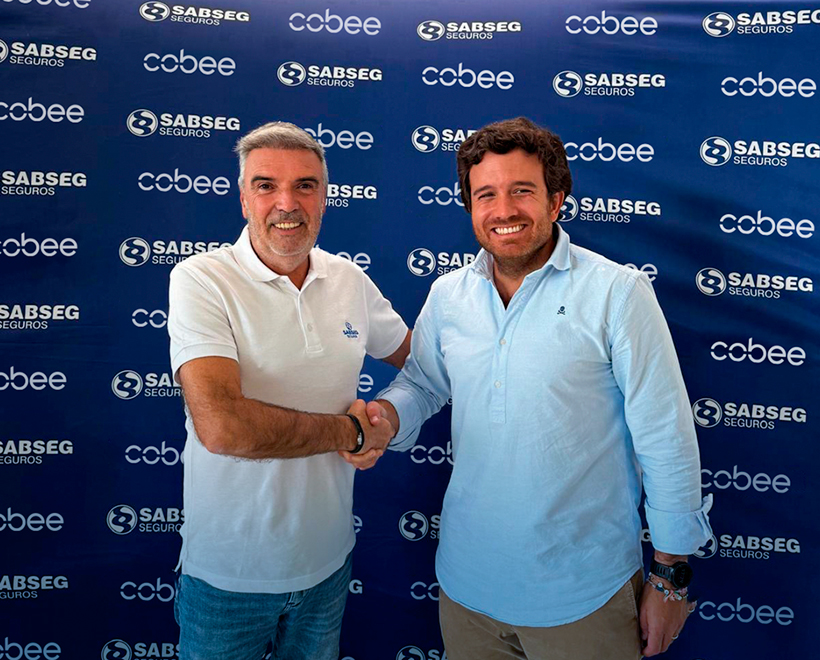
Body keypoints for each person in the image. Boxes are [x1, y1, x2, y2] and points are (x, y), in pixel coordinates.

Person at [343, 117, 712, 659]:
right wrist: (386, 419)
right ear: (470, 206)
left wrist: (670, 575)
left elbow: (665, 435)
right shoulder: (449, 295)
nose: (504, 210)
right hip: (467, 589)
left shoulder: (617, 293)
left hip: (585, 595)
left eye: (522, 191)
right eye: (486, 194)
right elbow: (422, 383)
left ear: (555, 200)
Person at [168, 121, 410, 660]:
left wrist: (388, 415)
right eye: (266, 185)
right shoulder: (201, 279)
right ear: (243, 198)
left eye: (305, 185)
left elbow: (422, 363)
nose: (287, 203)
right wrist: (351, 433)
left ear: (324, 198)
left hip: (327, 565)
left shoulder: (348, 279)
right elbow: (223, 428)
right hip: (229, 577)